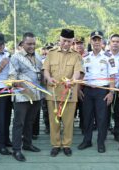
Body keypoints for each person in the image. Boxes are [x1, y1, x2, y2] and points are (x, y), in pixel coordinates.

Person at [43, 29, 83, 157]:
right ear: (60, 39)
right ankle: (55, 144)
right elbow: (46, 70)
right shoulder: (51, 53)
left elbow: (78, 71)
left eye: (69, 41)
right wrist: (49, 79)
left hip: (69, 93)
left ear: (72, 41)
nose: (66, 43)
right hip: (53, 92)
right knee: (53, 121)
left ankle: (66, 144)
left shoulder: (76, 55)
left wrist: (73, 80)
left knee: (68, 121)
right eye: (64, 41)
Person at [78, 31, 117, 153]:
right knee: (87, 117)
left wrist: (111, 92)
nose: (96, 42)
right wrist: (79, 89)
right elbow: (80, 75)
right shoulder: (85, 57)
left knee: (102, 118)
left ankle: (101, 142)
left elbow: (112, 76)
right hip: (88, 91)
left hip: (102, 91)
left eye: (98, 40)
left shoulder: (108, 57)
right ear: (91, 41)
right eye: (94, 40)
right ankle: (87, 140)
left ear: (102, 42)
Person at [8, 32, 42, 162]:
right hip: (22, 96)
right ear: (22, 43)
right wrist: (23, 87)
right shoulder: (15, 57)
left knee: (30, 122)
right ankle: (16, 149)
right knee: (19, 123)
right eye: (29, 44)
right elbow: (11, 77)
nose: (32, 46)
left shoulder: (38, 57)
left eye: (33, 43)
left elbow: (41, 74)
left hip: (37, 95)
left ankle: (27, 144)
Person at [105, 34, 119, 144]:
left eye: (118, 41)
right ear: (110, 43)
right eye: (113, 41)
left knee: (118, 112)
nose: (115, 43)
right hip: (104, 88)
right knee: (104, 112)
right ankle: (104, 133)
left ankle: (118, 134)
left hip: (118, 88)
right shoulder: (104, 56)